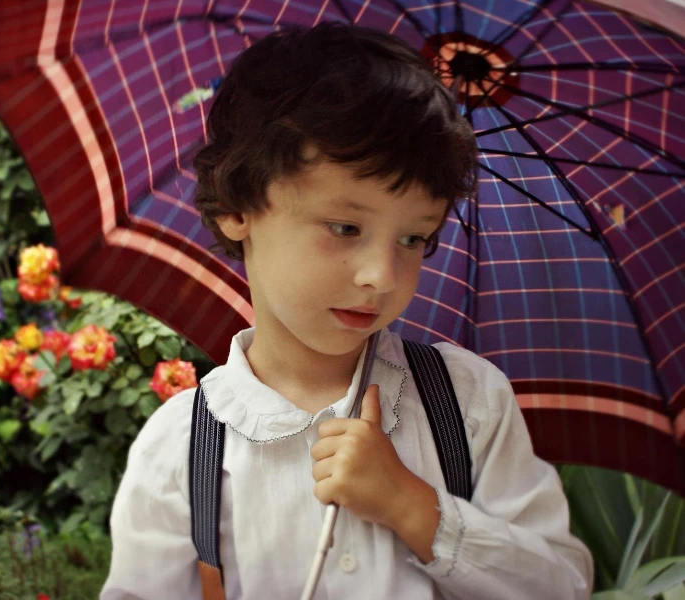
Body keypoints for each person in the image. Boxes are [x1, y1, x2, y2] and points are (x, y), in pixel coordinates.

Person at [100, 22, 593, 599]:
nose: (381, 276)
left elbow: (563, 586)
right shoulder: (180, 449)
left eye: (414, 238)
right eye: (345, 227)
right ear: (238, 207)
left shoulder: (469, 403)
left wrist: (415, 508)